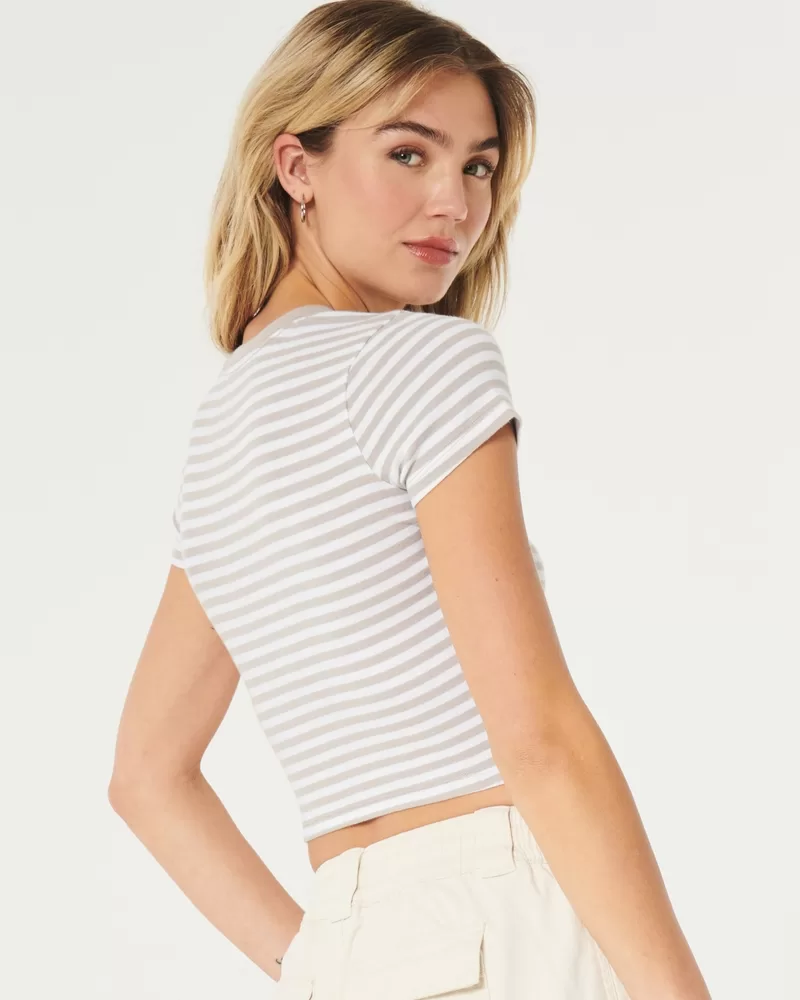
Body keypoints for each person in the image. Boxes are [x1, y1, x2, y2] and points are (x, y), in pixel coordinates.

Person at [109, 2, 712, 998]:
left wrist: (321, 963)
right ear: (295, 166)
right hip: (504, 916)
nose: (455, 204)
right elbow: (539, 740)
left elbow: (145, 773)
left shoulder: (221, 433)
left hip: (354, 946)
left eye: (477, 166)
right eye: (408, 154)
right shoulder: (422, 362)